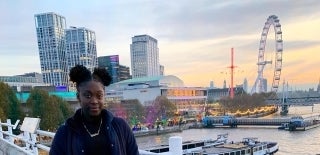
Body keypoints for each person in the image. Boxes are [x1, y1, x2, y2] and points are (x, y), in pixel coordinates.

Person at [50, 65, 139, 155]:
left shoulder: (120, 127)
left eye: (99, 95)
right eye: (88, 96)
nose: (94, 101)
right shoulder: (65, 132)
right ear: (79, 97)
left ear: (104, 96)